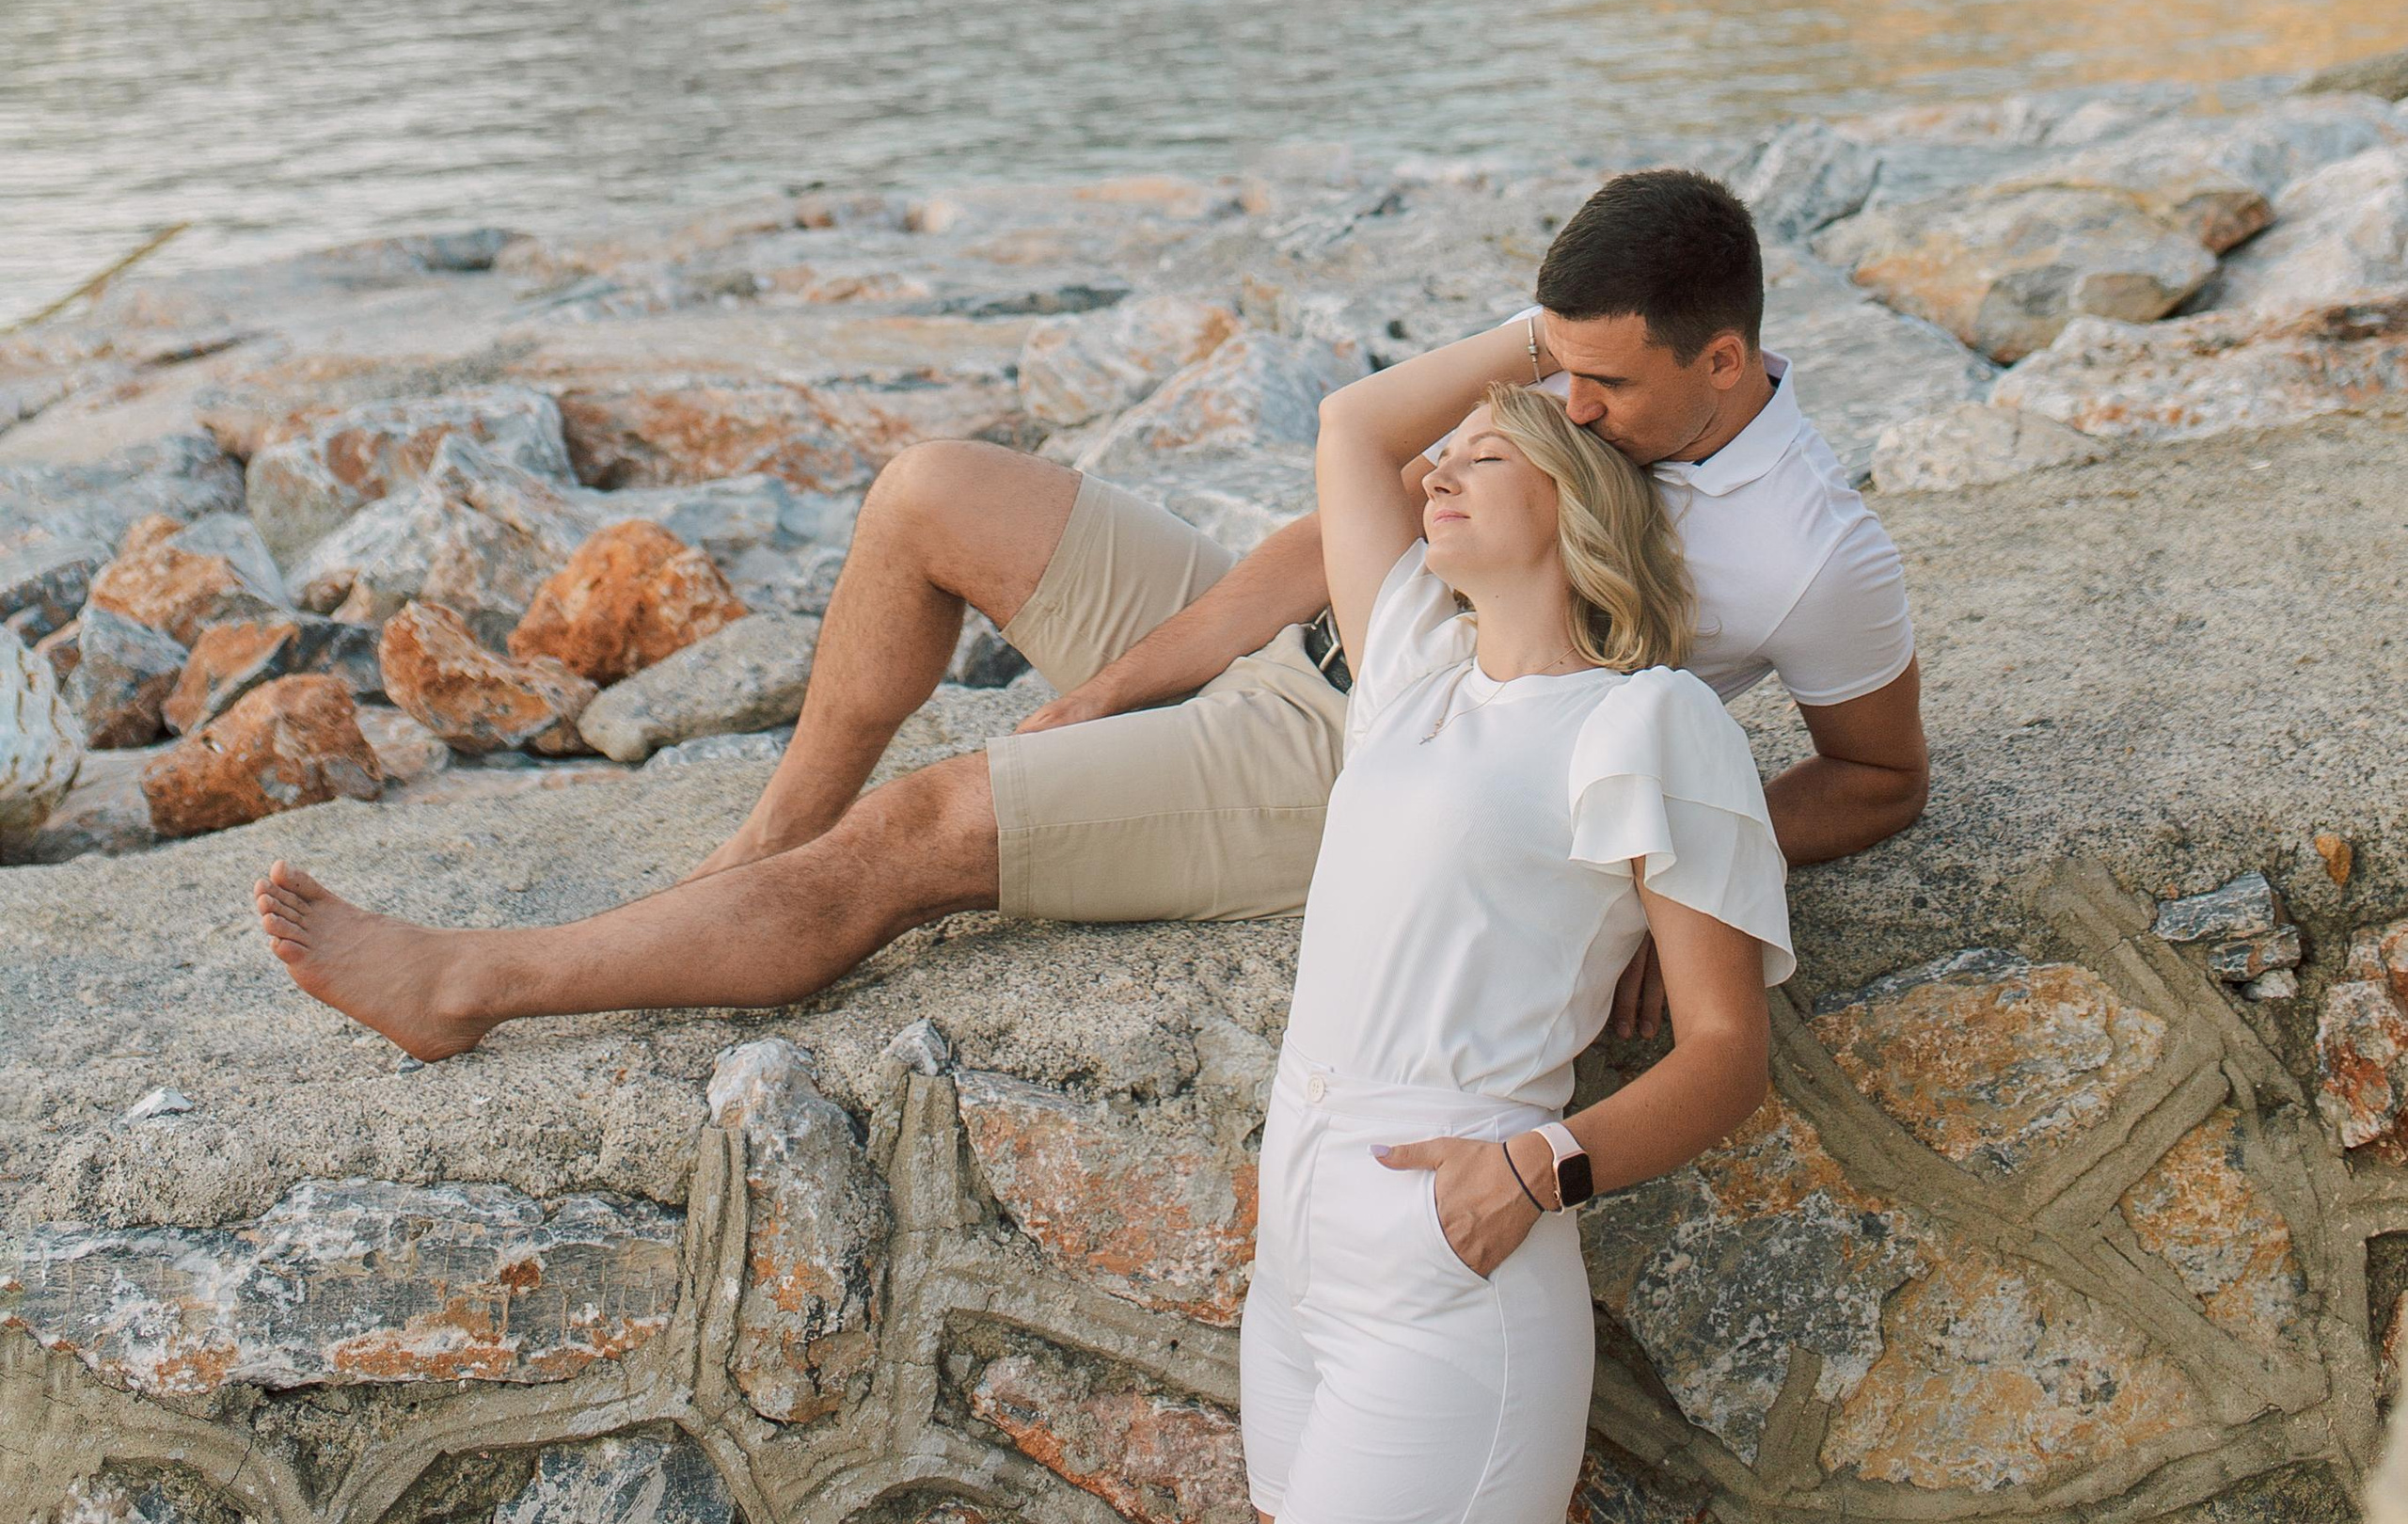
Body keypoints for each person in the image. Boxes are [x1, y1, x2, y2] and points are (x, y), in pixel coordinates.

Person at [250, 170, 1923, 1056]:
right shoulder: (1587, 360)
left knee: (925, 831)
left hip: (1364, 753)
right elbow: (1351, 529)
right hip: (1311, 631)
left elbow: (1880, 777)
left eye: (1603, 385)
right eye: (1553, 364)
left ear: (1724, 359)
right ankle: (752, 857)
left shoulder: (1811, 552)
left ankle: (471, 984)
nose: (1573, 404)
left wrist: (1667, 887)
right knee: (928, 490)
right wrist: (1138, 675)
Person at [1240, 344, 1788, 1524]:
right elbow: (1352, 425)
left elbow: (1725, 1053)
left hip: (1449, 1259)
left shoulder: (1647, 720)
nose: (1437, 472)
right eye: (1445, 456)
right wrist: (1551, 336)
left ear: (1576, 503)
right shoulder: (1414, 678)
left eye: (1484, 458)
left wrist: (1541, 1168)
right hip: (1294, 1247)